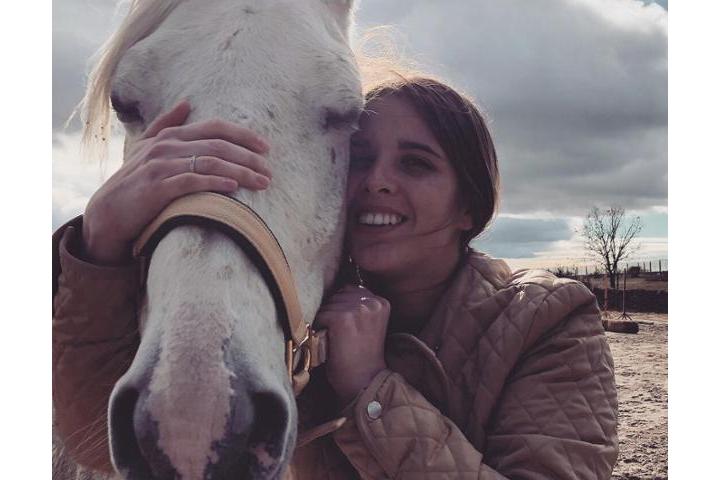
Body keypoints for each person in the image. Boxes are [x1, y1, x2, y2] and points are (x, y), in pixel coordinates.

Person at [53, 75, 618, 478]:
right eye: (361, 158)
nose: (376, 181)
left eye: (416, 164)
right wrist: (100, 242)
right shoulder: (293, 308)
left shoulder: (546, 320)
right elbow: (98, 443)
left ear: (469, 206)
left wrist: (371, 389)